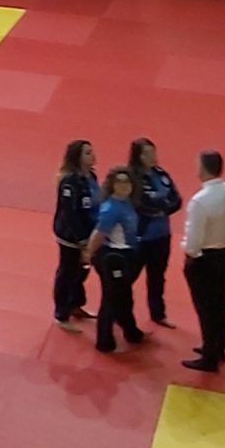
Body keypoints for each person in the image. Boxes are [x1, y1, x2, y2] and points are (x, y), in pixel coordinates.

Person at [181, 149, 225, 373]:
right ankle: (218, 347)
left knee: (206, 308)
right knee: (221, 303)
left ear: (202, 168)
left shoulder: (200, 201)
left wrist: (190, 254)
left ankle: (209, 355)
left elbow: (194, 239)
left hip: (206, 259)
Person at [83, 166, 146, 352]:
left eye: (127, 182)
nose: (124, 185)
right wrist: (88, 253)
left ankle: (131, 331)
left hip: (126, 254)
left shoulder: (127, 203)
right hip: (113, 257)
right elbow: (99, 233)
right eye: (119, 182)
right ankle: (104, 340)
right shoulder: (111, 208)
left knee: (124, 296)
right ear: (112, 185)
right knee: (111, 298)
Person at [128, 138, 181, 329]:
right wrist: (158, 208)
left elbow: (176, 199)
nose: (152, 157)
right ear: (138, 156)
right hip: (139, 237)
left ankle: (158, 313)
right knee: (128, 277)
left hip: (162, 236)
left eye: (153, 152)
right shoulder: (131, 178)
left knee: (157, 277)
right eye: (147, 154)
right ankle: (119, 312)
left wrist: (163, 209)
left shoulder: (162, 175)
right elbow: (139, 204)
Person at [51, 139, 99, 330]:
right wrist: (81, 239)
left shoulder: (91, 177)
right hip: (71, 236)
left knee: (83, 270)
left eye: (92, 151)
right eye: (87, 153)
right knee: (67, 273)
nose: (92, 155)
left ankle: (75, 304)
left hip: (89, 231)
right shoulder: (69, 182)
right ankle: (61, 314)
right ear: (76, 157)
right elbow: (70, 213)